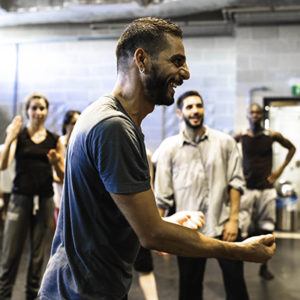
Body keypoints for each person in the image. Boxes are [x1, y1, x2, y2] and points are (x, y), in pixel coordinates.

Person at [38, 17, 275, 300]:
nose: (185, 73)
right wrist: (240, 251)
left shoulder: (112, 117)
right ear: (142, 59)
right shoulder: (113, 127)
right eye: (176, 61)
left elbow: (120, 217)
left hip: (88, 287)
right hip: (81, 292)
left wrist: (168, 221)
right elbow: (151, 235)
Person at [154, 90, 249, 300]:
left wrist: (233, 220)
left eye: (199, 105)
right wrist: (161, 236)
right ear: (179, 113)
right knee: (189, 289)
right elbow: (162, 195)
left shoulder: (225, 142)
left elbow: (236, 182)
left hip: (224, 226)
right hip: (189, 233)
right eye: (189, 107)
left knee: (237, 287)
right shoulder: (169, 149)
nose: (195, 111)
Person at [0, 92, 64, 300]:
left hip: (44, 201)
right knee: (10, 256)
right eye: (34, 107)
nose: (38, 112)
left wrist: (55, 163)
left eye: (42, 108)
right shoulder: (19, 136)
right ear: (27, 110)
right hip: (20, 200)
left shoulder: (55, 140)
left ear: (47, 111)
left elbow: (62, 176)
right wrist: (10, 136)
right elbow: (3, 165)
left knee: (38, 259)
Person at [235, 102, 296, 280]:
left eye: (258, 113)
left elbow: (292, 148)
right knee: (242, 228)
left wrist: (279, 171)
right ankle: (237, 265)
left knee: (267, 229)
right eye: (251, 112)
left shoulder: (271, 135)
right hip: (247, 189)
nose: (255, 115)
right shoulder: (241, 137)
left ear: (262, 116)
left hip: (266, 189)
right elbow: (227, 152)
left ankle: (264, 267)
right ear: (247, 115)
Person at [53, 110, 81, 222]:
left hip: (76, 196)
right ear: (66, 125)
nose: (77, 125)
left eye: (79, 122)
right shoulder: (59, 142)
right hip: (60, 195)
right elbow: (56, 175)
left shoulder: (81, 143)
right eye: (74, 122)